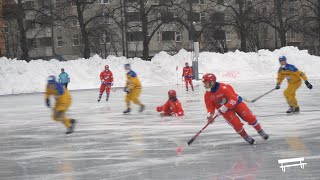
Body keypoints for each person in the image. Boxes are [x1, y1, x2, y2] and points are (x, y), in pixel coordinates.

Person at [202, 73, 269, 145]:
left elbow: (233, 99)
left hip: (237, 104)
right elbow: (209, 106)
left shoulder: (224, 87)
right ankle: (246, 137)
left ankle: (260, 131)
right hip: (225, 111)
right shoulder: (207, 95)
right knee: (236, 124)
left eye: (205, 83)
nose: (204, 85)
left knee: (249, 117)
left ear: (212, 82)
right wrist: (210, 115)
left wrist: (225, 107)